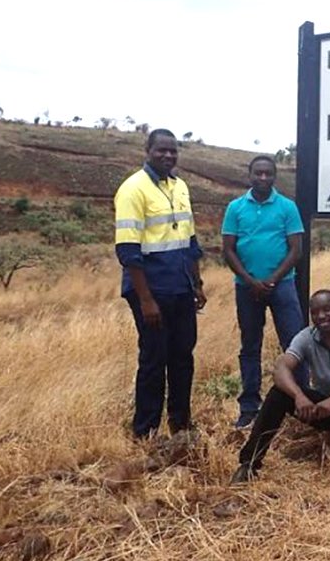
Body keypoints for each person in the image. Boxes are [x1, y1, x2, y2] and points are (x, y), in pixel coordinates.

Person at [231, 289, 330, 486]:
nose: (321, 316)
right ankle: (249, 464)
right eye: (315, 312)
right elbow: (281, 367)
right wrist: (298, 396)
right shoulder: (306, 337)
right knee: (278, 394)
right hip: (321, 409)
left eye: (327, 309)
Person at [114, 129, 206, 439]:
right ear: (148, 150)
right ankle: (145, 432)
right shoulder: (132, 189)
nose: (168, 156)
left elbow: (189, 240)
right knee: (154, 360)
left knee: (183, 357)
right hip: (151, 291)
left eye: (173, 151)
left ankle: (180, 425)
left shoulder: (179, 186)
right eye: (161, 150)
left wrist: (197, 282)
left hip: (180, 286)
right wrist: (146, 299)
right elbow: (128, 251)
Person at [222, 155, 306, 430]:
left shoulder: (287, 207)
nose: (263, 178)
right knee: (250, 347)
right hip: (246, 288)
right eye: (258, 173)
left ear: (274, 176)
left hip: (282, 285)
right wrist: (249, 280)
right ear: (249, 175)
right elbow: (228, 249)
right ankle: (249, 407)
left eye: (268, 174)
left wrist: (272, 280)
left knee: (295, 345)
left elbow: (296, 250)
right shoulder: (235, 208)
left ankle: (302, 403)